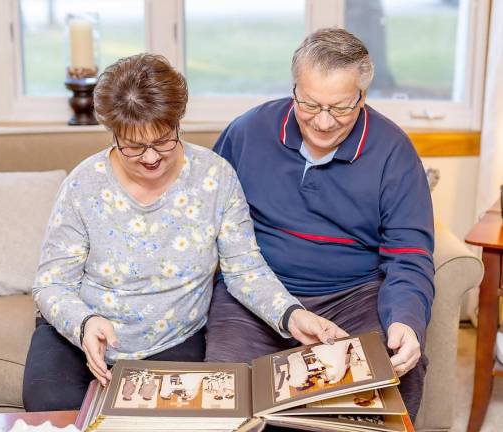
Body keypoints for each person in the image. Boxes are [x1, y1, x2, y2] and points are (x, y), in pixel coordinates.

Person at [22, 53, 345, 412]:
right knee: (50, 403)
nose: (150, 158)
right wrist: (84, 324)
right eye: (133, 145)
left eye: (162, 140)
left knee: (176, 416)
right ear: (113, 134)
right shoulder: (83, 184)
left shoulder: (215, 177)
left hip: (174, 339)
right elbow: (51, 284)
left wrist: (290, 314)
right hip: (80, 335)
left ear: (178, 122)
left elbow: (245, 270)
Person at [205, 29, 434, 421]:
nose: (324, 122)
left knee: (390, 385)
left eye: (341, 108)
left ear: (362, 97)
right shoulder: (246, 132)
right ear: (294, 88)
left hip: (352, 299)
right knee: (225, 397)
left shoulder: (394, 151)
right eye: (310, 104)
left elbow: (409, 257)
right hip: (256, 294)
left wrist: (406, 322)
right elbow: (203, 221)